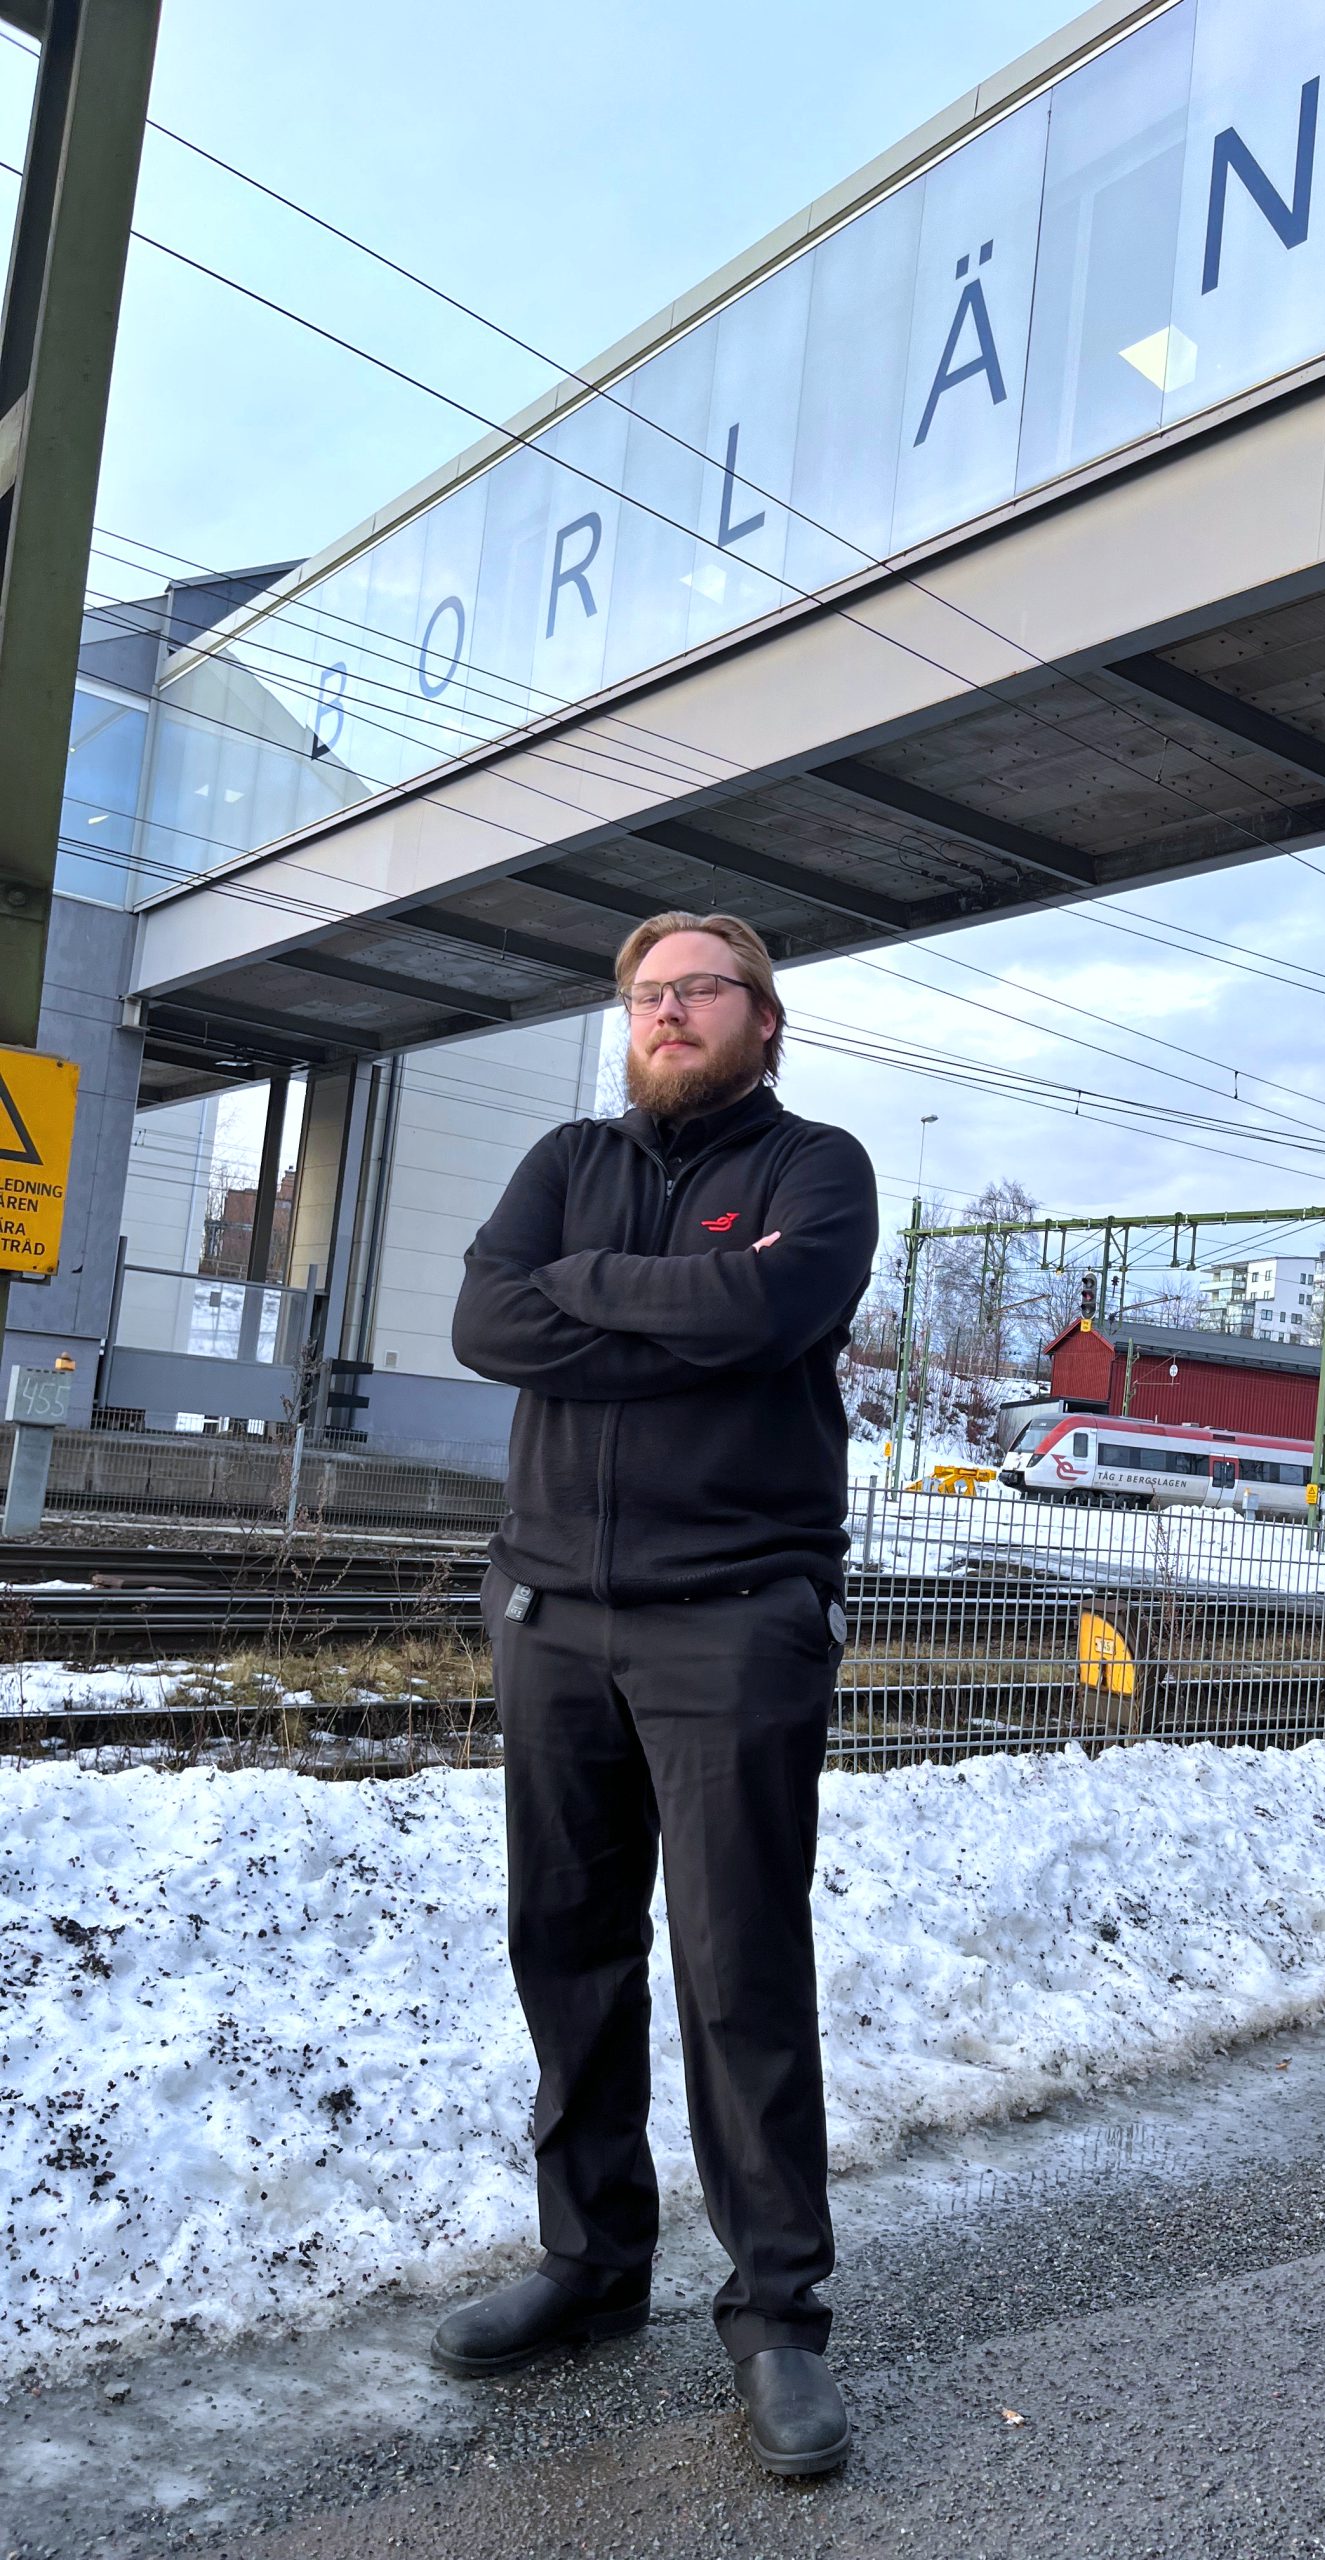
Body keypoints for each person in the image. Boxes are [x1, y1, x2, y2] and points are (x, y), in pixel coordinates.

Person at [435, 911, 878, 2480]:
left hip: (736, 1619)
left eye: (698, 989)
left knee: (737, 1964)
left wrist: (587, 1301)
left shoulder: (821, 1169)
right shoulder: (566, 1158)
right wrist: (680, 1309)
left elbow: (772, 1314)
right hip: (553, 1614)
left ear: (766, 1018)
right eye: (645, 994)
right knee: (567, 1947)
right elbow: (486, 1320)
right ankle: (592, 2261)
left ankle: (776, 2316)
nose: (666, 1010)